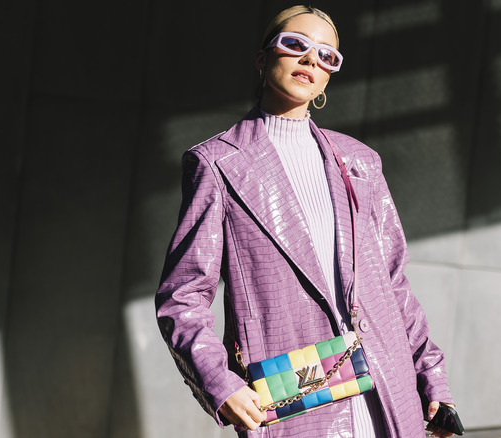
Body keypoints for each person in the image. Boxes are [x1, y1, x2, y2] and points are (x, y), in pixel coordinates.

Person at [156, 5, 456, 437]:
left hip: (391, 394)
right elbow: (183, 296)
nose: (310, 60)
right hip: (296, 402)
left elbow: (394, 284)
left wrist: (434, 379)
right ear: (263, 59)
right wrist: (220, 384)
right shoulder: (217, 164)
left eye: (326, 56)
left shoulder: (359, 161)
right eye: (295, 45)